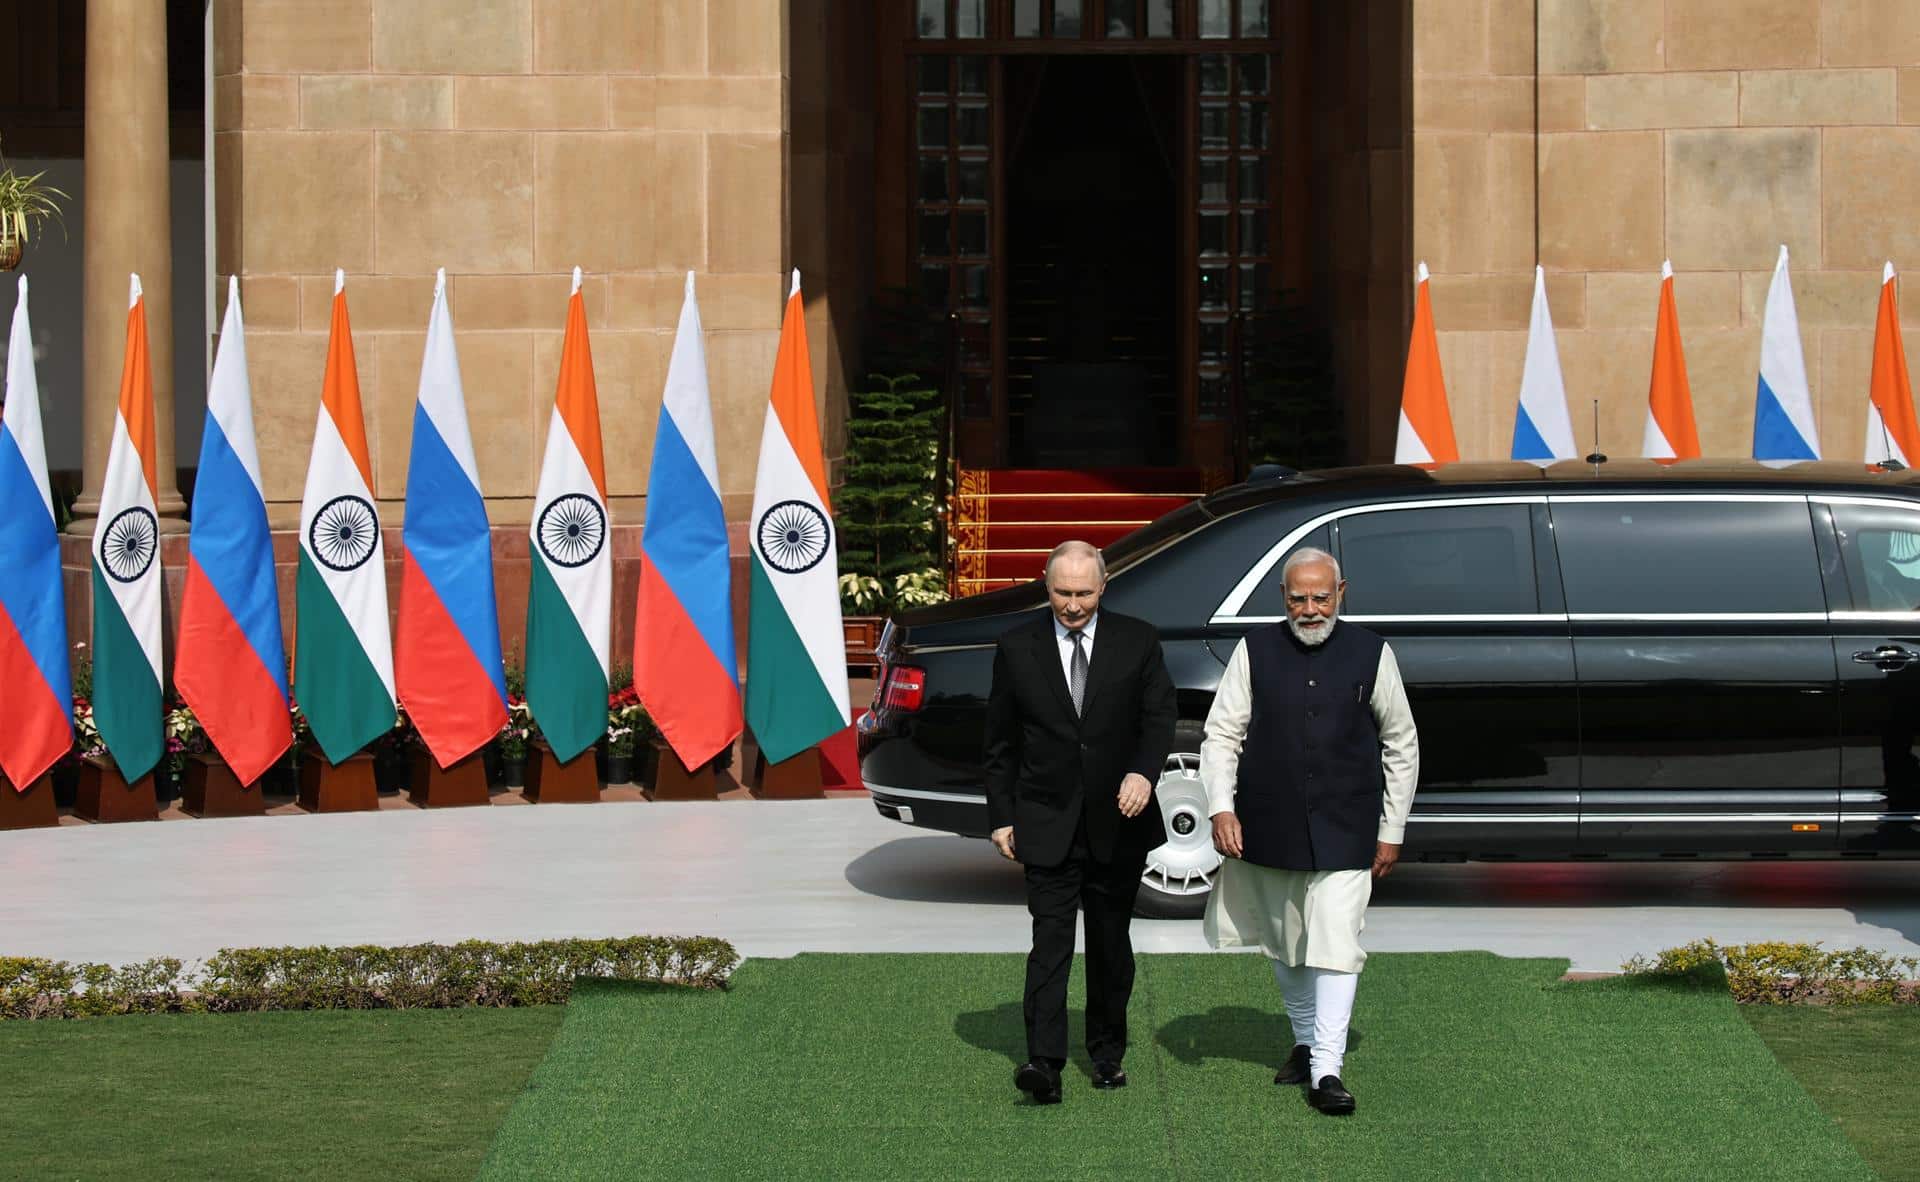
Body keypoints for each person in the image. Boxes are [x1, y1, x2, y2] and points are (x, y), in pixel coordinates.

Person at [1199, 546, 1418, 1116]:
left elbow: (1402, 743)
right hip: (1266, 825)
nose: (1312, 609)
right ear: (1284, 598)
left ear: (1342, 591)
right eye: (1299, 598)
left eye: (1322, 597)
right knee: (1286, 943)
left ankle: (1326, 1069)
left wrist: (1392, 827)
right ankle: (1303, 1040)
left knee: (1337, 944)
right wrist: (1221, 807)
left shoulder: (1374, 653)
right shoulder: (1254, 650)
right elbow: (1221, 735)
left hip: (1349, 826)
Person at [985, 539, 1176, 1104]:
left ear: (1104, 586)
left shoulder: (1137, 639)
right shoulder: (1017, 647)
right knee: (1050, 945)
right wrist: (1001, 817)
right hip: (1044, 821)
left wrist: (1144, 772)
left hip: (1119, 820)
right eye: (1062, 593)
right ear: (1046, 586)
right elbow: (1000, 741)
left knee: (1111, 944)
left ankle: (1106, 1054)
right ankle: (1043, 1063)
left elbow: (1159, 716)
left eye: (1084, 593)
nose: (1072, 605)